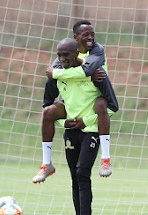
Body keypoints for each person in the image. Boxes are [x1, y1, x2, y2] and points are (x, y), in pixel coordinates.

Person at [32, 20, 119, 183]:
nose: (90, 38)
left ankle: (106, 160)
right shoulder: (64, 57)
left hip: (93, 100)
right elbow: (48, 99)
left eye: (92, 34)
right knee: (49, 112)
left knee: (101, 104)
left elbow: (88, 69)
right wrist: (64, 123)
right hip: (73, 102)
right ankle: (46, 164)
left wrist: (57, 74)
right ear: (76, 37)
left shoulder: (97, 50)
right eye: (86, 34)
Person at [47, 38, 105, 215]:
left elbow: (111, 108)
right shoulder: (59, 76)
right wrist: (64, 124)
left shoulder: (95, 74)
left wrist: (86, 120)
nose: (62, 59)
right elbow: (49, 108)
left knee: (82, 172)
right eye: (59, 55)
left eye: (66, 55)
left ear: (76, 54)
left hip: (91, 130)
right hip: (71, 132)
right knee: (74, 176)